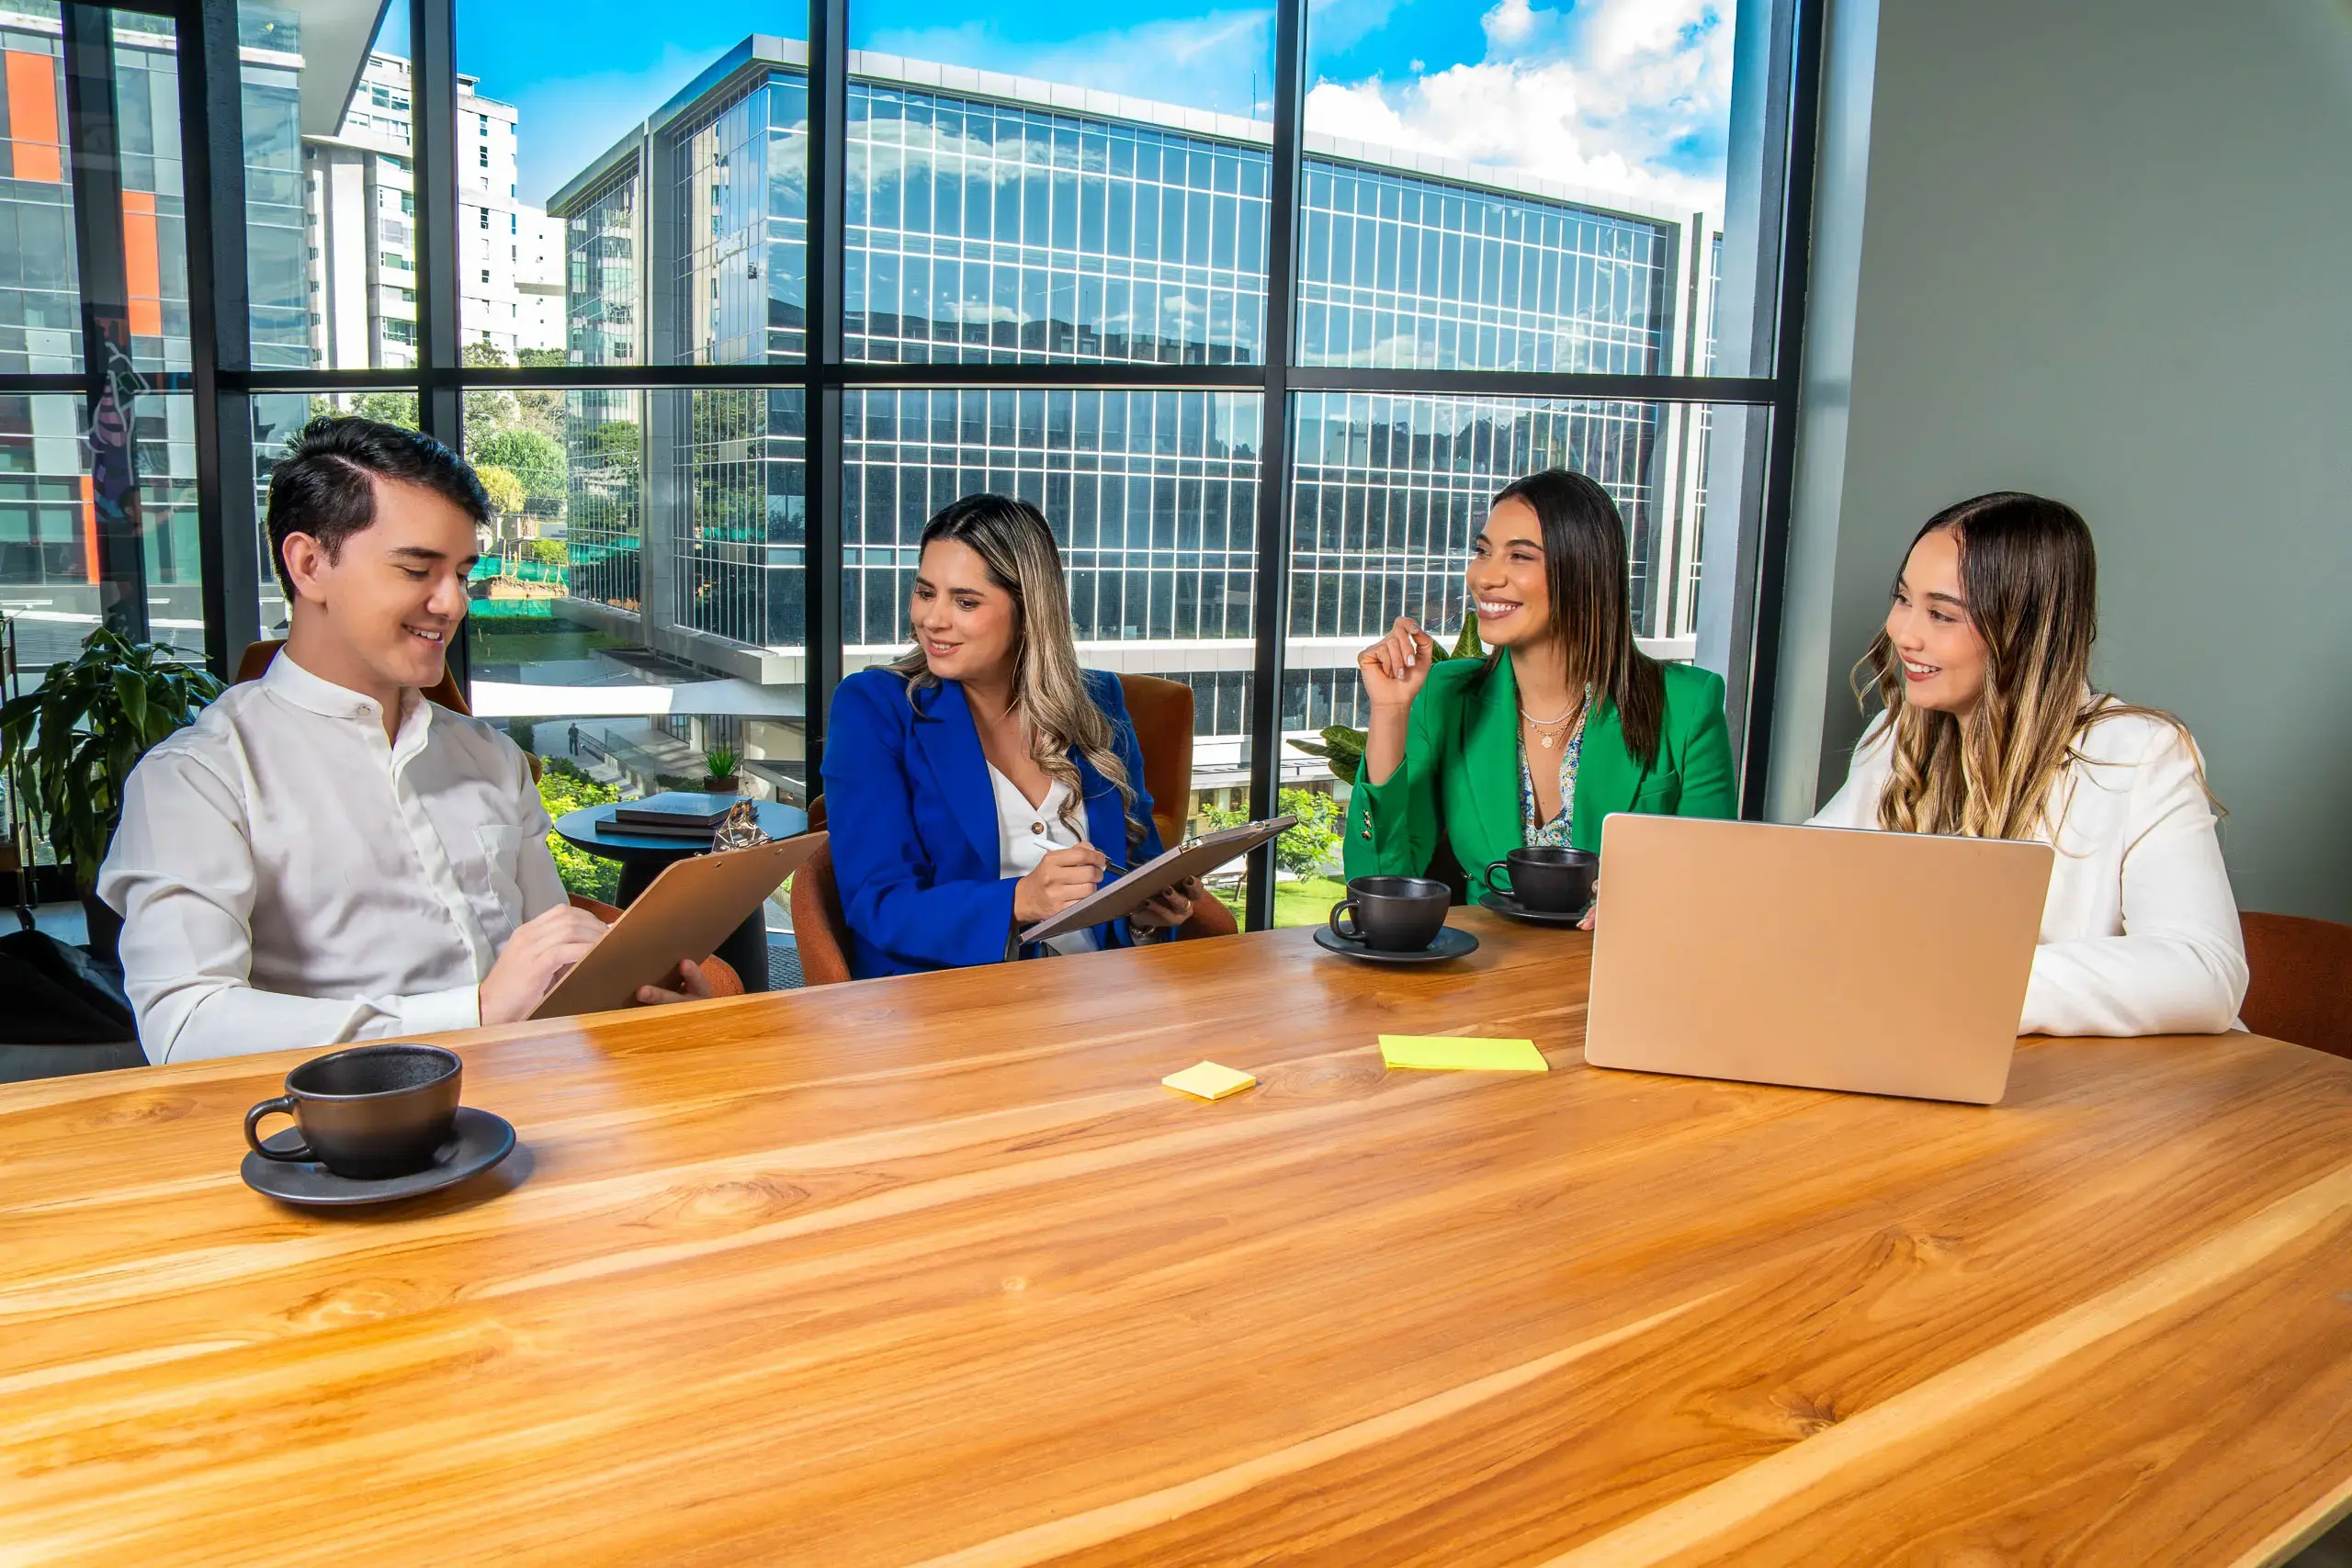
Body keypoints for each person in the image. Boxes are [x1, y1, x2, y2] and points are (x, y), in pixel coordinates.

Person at [99, 417, 705, 1065]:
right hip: (338, 1142)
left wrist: (624, 999)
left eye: (463, 573)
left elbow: (549, 973)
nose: (452, 604)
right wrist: (471, 1013)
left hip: (538, 1104)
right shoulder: (198, 778)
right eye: (418, 569)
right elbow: (187, 1025)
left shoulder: (490, 756)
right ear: (308, 564)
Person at [1808, 492, 2245, 1036]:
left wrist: (1961, 983)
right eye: (1903, 599)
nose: (1904, 633)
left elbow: (2204, 973)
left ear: (2023, 630)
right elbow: (1805, 884)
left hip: (2102, 1097)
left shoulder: (2140, 753)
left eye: (1941, 614)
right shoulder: (1895, 737)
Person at [822, 493, 1198, 977]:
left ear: (1027, 611)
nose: (932, 619)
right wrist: (1017, 900)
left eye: (965, 601)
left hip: (1106, 990)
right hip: (953, 1001)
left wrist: (1149, 918)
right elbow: (878, 902)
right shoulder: (874, 707)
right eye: (925, 592)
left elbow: (1139, 867)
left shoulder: (1099, 700)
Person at [1345, 468, 1736, 904]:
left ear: (1584, 571)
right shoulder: (1443, 696)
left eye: (1520, 556)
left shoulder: (1687, 706)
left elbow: (1714, 888)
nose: (1484, 578)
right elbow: (1378, 886)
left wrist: (1640, 898)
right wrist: (1390, 711)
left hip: (1628, 966)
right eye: (1482, 551)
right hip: (1488, 967)